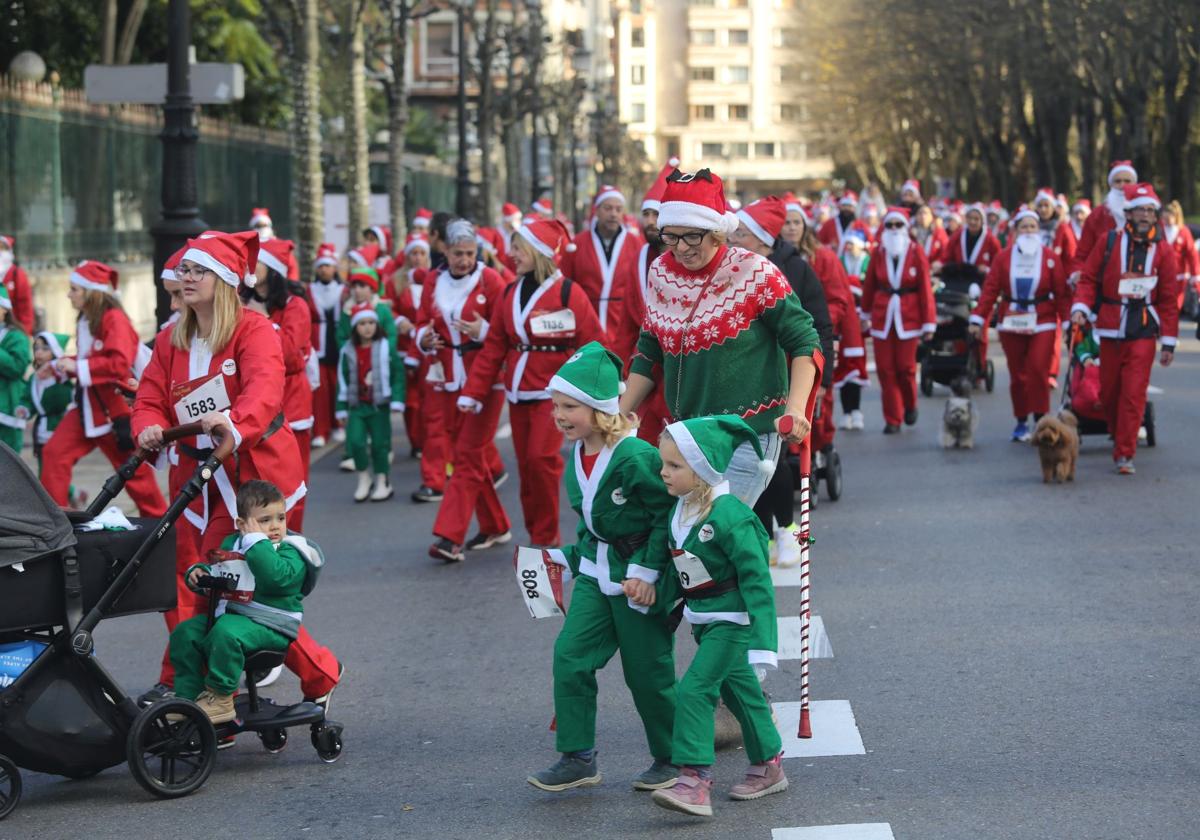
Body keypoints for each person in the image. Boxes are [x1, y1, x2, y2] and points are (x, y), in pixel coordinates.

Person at [133, 230, 342, 709]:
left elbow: (265, 394)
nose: (185, 277)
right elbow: (149, 398)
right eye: (183, 270)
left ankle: (311, 673)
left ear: (224, 280)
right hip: (196, 481)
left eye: (196, 270)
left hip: (250, 482)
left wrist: (230, 422)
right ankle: (186, 686)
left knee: (244, 592)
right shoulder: (172, 339)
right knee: (196, 581)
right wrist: (147, 425)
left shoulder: (255, 331)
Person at [527, 342, 677, 794]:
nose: (559, 414)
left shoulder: (636, 457)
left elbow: (664, 518)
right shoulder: (576, 452)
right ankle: (577, 757)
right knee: (570, 656)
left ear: (598, 409)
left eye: (569, 406)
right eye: (556, 405)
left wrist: (648, 574)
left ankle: (674, 759)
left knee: (647, 672)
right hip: (597, 574)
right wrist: (564, 562)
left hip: (639, 580)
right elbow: (592, 526)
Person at [621, 169, 822, 507]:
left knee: (710, 534)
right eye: (670, 236)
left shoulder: (755, 272)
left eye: (692, 237)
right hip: (686, 434)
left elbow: (804, 340)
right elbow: (649, 349)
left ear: (717, 232)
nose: (681, 248)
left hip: (747, 433)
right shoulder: (659, 272)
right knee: (689, 543)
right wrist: (617, 415)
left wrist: (796, 409)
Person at [650, 415, 784, 818]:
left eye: (675, 466)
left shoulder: (731, 517)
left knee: (695, 689)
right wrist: (658, 600)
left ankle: (694, 779)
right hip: (705, 620)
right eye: (664, 464)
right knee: (737, 691)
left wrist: (763, 643)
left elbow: (758, 582)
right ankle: (769, 763)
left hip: (733, 622)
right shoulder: (682, 511)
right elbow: (685, 569)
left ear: (704, 469)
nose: (664, 472)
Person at [458, 220, 603, 548]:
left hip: (553, 395)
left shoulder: (569, 292)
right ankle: (536, 533)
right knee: (526, 466)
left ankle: (547, 536)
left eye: (518, 249)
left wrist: (599, 393)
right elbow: (495, 346)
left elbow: (595, 344)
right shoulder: (510, 291)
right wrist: (473, 392)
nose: (510, 255)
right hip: (518, 391)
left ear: (538, 252)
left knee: (541, 461)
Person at [729, 197, 833, 567]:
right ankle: (758, 535)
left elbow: (819, 326)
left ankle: (787, 529)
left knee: (777, 459)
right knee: (750, 458)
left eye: (740, 232)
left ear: (760, 238)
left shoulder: (797, 269)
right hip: (743, 375)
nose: (733, 237)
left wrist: (820, 380)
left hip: (788, 374)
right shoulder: (731, 268)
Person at [168, 480, 312, 723]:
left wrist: (257, 541)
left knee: (225, 632)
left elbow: (276, 577)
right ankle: (188, 696)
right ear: (241, 525)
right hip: (238, 621)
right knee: (186, 632)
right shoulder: (233, 544)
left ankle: (221, 697)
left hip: (273, 625)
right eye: (265, 521)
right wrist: (200, 574)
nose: (275, 526)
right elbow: (222, 576)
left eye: (280, 518)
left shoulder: (291, 550)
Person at [416, 219, 512, 562]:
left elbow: (507, 328)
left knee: (469, 455)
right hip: (446, 378)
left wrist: (483, 329)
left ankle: (448, 536)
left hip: (484, 379)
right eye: (458, 253)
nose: (464, 260)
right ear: (445, 251)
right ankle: (496, 525)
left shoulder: (490, 279)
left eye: (470, 253)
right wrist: (423, 339)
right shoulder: (433, 280)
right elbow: (420, 323)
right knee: (464, 452)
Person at [39, 261, 167, 515]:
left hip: (114, 413)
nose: (69, 294)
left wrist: (76, 367)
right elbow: (90, 360)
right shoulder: (87, 319)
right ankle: (54, 521)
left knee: (135, 475)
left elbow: (118, 363)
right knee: (54, 454)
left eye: (74, 289)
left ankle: (159, 525)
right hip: (89, 409)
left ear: (91, 292)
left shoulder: (114, 319)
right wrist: (59, 366)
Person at [1071, 183, 1178, 474]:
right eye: (1140, 210)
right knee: (1108, 394)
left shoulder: (1164, 252)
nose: (1145, 215)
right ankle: (1120, 435)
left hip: (1142, 330)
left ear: (1156, 217)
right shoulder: (1108, 241)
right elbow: (1088, 279)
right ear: (1128, 214)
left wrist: (1168, 342)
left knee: (1133, 393)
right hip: (1108, 327)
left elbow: (1168, 299)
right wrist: (1080, 309)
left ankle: (1124, 453)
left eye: (1150, 210)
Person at [969, 208, 1071, 441]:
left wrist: (1067, 322)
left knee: (1037, 370)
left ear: (1038, 230)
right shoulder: (1003, 257)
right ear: (1015, 231)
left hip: (1042, 320)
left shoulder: (1050, 258)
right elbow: (990, 290)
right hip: (1011, 321)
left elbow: (1062, 294)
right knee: (1018, 375)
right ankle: (1021, 420)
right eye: (1023, 226)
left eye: (1032, 226)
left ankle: (1040, 420)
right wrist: (978, 318)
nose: (1028, 231)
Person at [243, 238, 316, 529]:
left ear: (272, 269)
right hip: (256, 407)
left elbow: (293, 357)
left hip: (292, 407)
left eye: (256, 262)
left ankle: (291, 541)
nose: (249, 268)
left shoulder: (295, 305)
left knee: (291, 485)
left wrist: (264, 323)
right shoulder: (242, 300)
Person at [612, 162, 674, 443]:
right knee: (647, 443)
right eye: (646, 213)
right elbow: (626, 324)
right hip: (645, 369)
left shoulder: (684, 261)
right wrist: (618, 369)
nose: (649, 221)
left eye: (656, 213)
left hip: (679, 372)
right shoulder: (638, 260)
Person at [860, 207, 935, 433]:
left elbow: (925, 289)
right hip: (883, 316)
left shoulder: (916, 251)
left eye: (898, 225)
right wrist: (865, 315)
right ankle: (893, 418)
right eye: (889, 225)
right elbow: (870, 285)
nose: (894, 229)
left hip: (909, 315)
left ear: (906, 227)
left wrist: (929, 322)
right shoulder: (878, 253)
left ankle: (910, 404)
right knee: (885, 369)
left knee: (905, 367)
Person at [337, 303, 404, 502]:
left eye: (371, 323)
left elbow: (398, 373)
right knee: (356, 442)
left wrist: (397, 399)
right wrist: (340, 408)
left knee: (379, 445)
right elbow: (342, 379)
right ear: (355, 327)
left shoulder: (385, 347)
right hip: (357, 406)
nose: (367, 327)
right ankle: (364, 478)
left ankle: (382, 480)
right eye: (362, 323)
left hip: (379, 406)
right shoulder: (347, 350)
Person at [560, 185, 640, 346]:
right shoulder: (577, 244)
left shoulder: (635, 243)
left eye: (618, 209)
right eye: (608, 208)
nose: (613, 214)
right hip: (587, 318)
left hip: (622, 322)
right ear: (596, 210)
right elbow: (564, 285)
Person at [16, 331, 72, 472]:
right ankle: (68, 492)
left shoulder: (62, 379)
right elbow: (28, 399)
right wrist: (25, 409)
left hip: (58, 428)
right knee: (43, 468)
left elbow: (65, 401)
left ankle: (66, 492)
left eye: (45, 348)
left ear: (56, 351)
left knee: (55, 469)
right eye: (36, 348)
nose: (39, 352)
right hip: (40, 430)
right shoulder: (34, 379)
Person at [308, 242, 345, 448]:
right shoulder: (309, 290)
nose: (324, 269)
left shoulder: (344, 290)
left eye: (328, 265)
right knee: (320, 391)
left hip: (338, 345)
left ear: (335, 268)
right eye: (321, 266)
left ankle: (339, 425)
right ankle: (320, 430)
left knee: (339, 387)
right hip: (318, 345)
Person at [1074, 160, 1137, 276]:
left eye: (1127, 181)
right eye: (1118, 181)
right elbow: (1083, 253)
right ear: (1111, 184)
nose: (1123, 185)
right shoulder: (1097, 215)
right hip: (1103, 282)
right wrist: (1079, 274)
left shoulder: (1147, 214)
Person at [0, 285, 31, 451]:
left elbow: (17, 368)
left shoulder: (16, 336)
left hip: (7, 410)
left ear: (5, 309)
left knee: (7, 467)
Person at [1161, 200, 1199, 311]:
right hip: (1161, 275)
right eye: (1165, 217)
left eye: (1170, 217)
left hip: (1179, 276)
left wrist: (1195, 276)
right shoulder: (1159, 230)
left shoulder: (1183, 232)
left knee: (1175, 307)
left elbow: (1192, 255)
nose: (1167, 220)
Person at [0, 235, 34, 333]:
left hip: (13, 329)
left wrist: (25, 331)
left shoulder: (17, 274)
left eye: (2, 248)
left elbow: (25, 305)